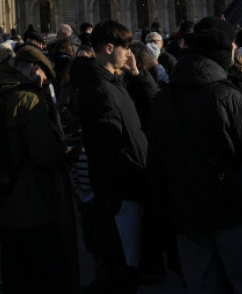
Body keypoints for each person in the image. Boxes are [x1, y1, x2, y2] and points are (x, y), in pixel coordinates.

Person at [148, 18, 242, 294]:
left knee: (203, 285)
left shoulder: (162, 100)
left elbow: (156, 164)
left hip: (187, 214)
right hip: (234, 209)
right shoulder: (226, 95)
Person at [0, 44, 72, 294]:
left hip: (2, 198)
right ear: (34, 69)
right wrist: (65, 152)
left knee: (13, 270)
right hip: (32, 201)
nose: (44, 83)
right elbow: (44, 154)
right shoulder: (27, 98)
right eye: (43, 76)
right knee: (45, 274)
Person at [72, 21, 155, 294]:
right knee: (123, 266)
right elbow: (109, 149)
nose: (130, 53)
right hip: (121, 192)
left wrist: (136, 74)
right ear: (109, 48)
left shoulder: (114, 82)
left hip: (125, 188)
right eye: (126, 47)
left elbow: (153, 109)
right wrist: (138, 175)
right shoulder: (101, 90)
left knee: (126, 263)